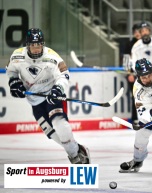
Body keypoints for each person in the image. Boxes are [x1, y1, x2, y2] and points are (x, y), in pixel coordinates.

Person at [6, 28, 91, 164]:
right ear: (27, 45)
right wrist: (14, 82)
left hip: (52, 96)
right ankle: (77, 149)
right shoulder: (17, 56)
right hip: (35, 101)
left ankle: (74, 156)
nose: (36, 49)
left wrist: (57, 89)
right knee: (51, 133)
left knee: (60, 124)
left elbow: (64, 75)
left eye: (39, 45)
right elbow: (11, 71)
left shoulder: (52, 57)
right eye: (33, 45)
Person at [123, 23, 142, 124]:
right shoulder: (129, 45)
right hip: (133, 75)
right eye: (135, 32)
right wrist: (129, 73)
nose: (137, 33)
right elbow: (126, 61)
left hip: (146, 75)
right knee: (136, 96)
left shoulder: (145, 44)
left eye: (139, 31)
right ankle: (135, 118)